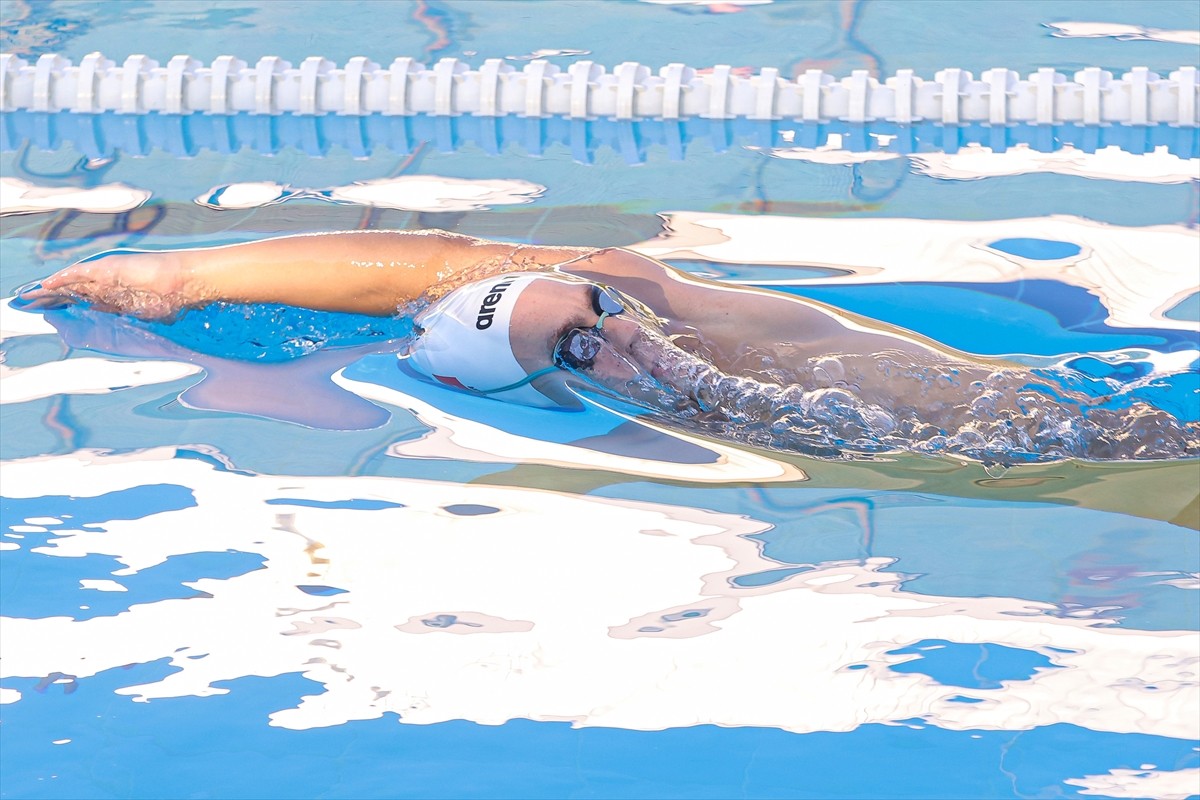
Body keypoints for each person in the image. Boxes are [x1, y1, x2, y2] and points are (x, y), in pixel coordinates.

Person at [14, 229, 1199, 463]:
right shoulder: (726, 417)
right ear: (547, 391)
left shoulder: (650, 302)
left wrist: (181, 274)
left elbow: (433, 263)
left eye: (592, 305)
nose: (618, 334)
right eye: (583, 348)